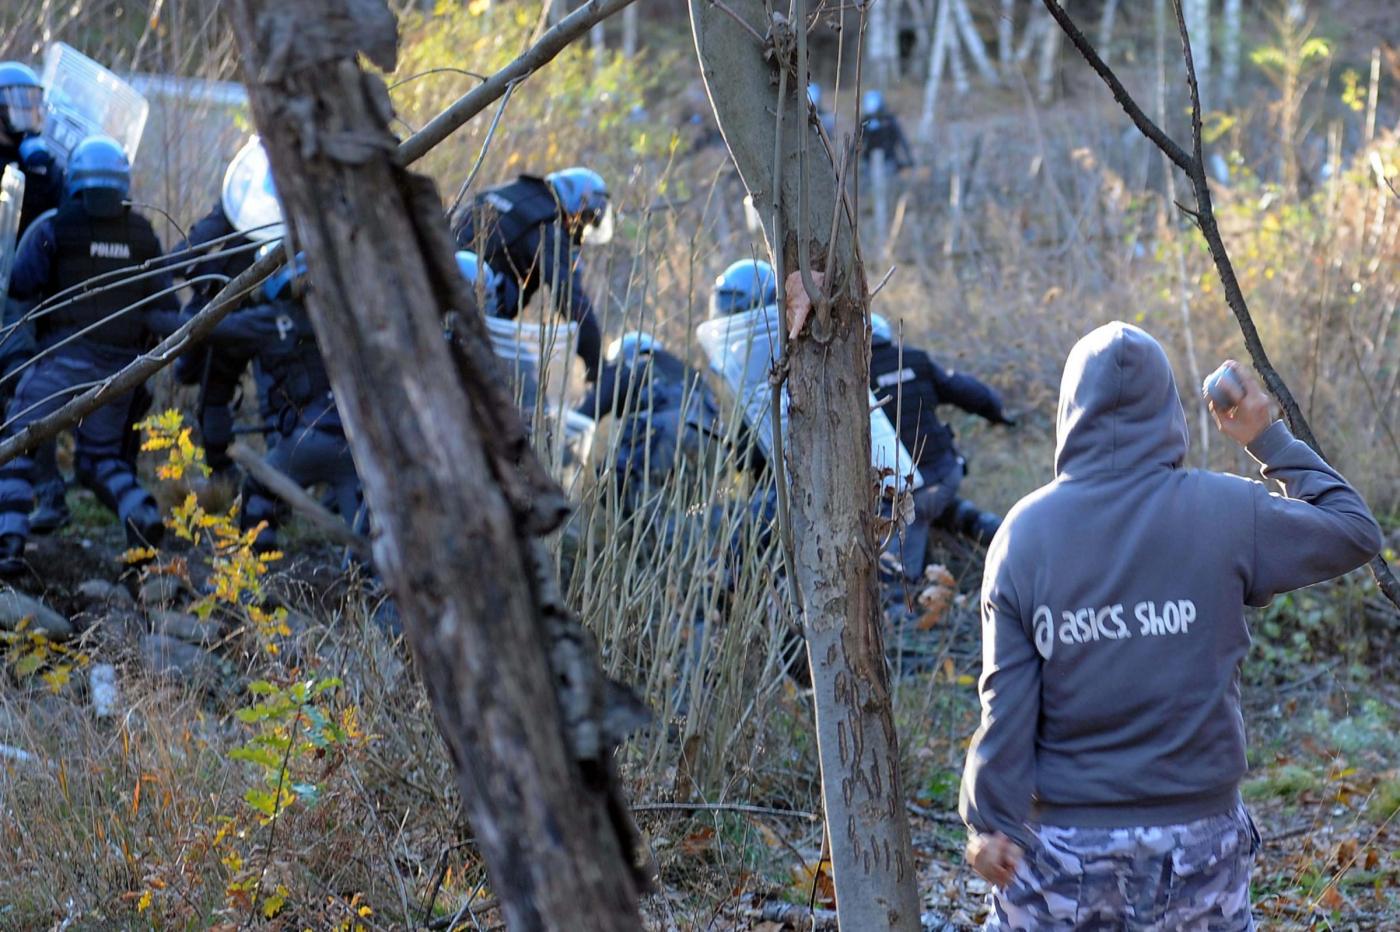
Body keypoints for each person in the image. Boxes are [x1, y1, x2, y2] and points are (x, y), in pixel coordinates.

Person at [960, 322, 1382, 929]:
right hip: (1199, 846)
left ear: (1069, 410)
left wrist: (990, 824)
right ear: (1168, 412)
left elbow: (1006, 701)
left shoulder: (1023, 536)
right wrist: (1268, 439)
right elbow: (1354, 531)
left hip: (1063, 850)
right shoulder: (1225, 511)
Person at [0, 135, 181, 574]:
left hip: (61, 363)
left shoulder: (56, 226)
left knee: (17, 440)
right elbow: (166, 307)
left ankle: (8, 541)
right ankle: (142, 515)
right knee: (101, 460)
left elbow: (20, 284)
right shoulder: (143, 233)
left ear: (76, 178)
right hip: (119, 372)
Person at [201, 246, 360, 553]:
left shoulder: (272, 319)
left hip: (304, 441)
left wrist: (154, 316)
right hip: (351, 445)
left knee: (258, 490)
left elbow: (213, 329)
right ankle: (371, 575)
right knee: (366, 532)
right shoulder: (341, 318)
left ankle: (258, 565)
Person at [868, 313, 1012, 578]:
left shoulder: (855, 375)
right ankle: (1014, 539)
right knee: (944, 508)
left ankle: (903, 599)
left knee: (894, 578)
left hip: (904, 493)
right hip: (944, 476)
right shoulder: (915, 359)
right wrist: (998, 413)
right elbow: (966, 390)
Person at [451, 167, 612, 381]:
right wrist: (597, 363)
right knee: (523, 378)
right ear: (576, 204)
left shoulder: (511, 192)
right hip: (474, 307)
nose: (580, 230)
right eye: (585, 218)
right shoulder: (546, 224)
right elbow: (571, 297)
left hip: (437, 283)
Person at [1, 62, 69, 535]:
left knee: (25, 392)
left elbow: (57, 219)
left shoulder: (43, 161)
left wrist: (40, 170)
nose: (26, 111)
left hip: (29, 298)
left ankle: (47, 496)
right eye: (16, 101)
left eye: (31, 101)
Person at [580, 331, 719, 505]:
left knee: (614, 485)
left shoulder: (631, 366)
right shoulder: (684, 370)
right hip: (711, 440)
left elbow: (591, 409)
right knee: (692, 506)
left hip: (665, 433)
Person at [859, 90, 913, 171]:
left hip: (888, 158)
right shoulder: (865, 122)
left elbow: (901, 139)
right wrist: (849, 161)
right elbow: (856, 142)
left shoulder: (889, 120)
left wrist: (910, 159)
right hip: (869, 160)